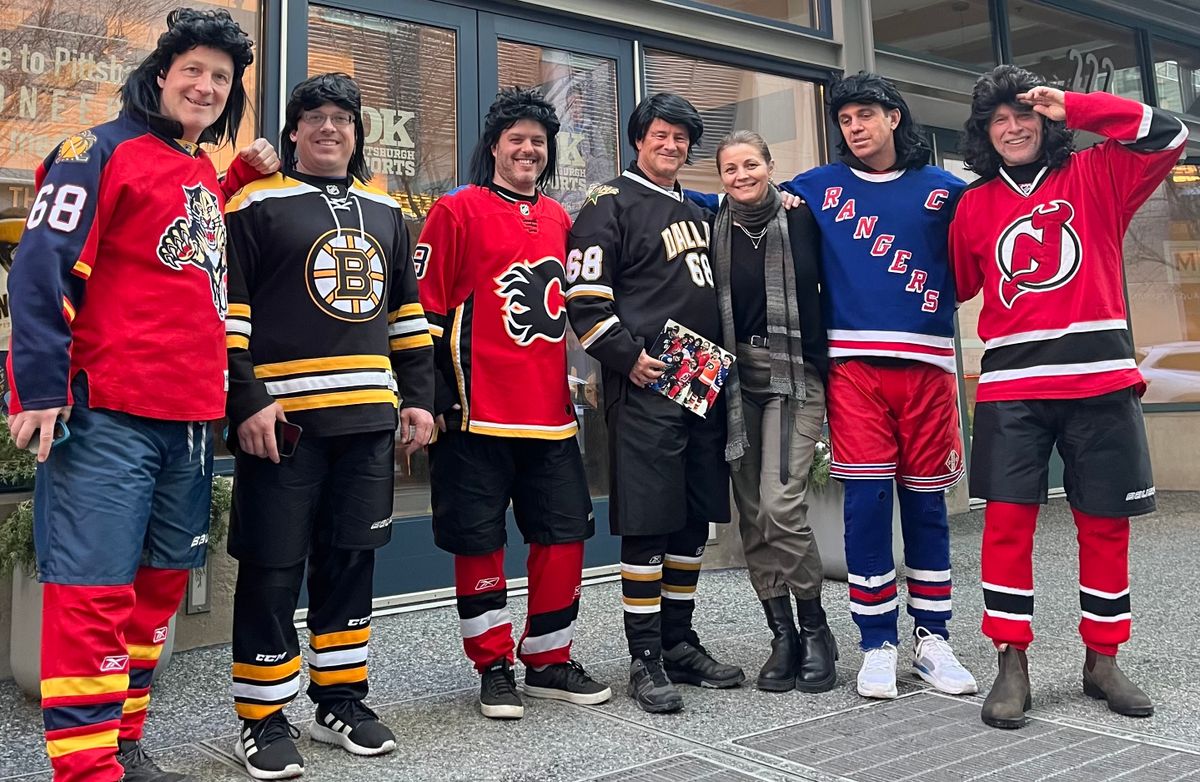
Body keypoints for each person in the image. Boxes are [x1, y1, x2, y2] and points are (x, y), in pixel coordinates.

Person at [3, 9, 276, 782]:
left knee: (156, 588)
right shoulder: (95, 150)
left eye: (222, 79)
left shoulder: (193, 167)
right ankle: (85, 769)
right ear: (160, 74)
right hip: (107, 414)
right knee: (92, 590)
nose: (207, 86)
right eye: (194, 70)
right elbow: (40, 269)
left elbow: (171, 238)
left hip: (188, 419)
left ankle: (122, 739)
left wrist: (239, 178)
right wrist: (39, 389)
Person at [950, 65, 1188, 730]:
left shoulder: (1099, 173)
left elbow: (1170, 133)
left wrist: (1078, 105)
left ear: (1047, 119)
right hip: (1011, 386)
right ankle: (1011, 658)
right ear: (985, 134)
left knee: (1105, 525)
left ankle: (1102, 658)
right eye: (999, 119)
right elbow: (961, 284)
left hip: (1101, 380)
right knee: (1005, 526)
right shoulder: (972, 205)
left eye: (1025, 113)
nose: (1014, 126)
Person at [221, 73, 434, 778]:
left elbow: (408, 314)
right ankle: (262, 716)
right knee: (274, 565)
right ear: (292, 133)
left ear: (357, 132)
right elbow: (230, 316)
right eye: (313, 118)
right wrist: (246, 400)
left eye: (342, 118)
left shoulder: (386, 210)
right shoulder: (254, 206)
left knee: (351, 561)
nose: (328, 128)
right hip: (283, 424)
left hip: (368, 422)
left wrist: (419, 398)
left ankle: (340, 699)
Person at [779, 73, 976, 701]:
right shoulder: (816, 187)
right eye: (844, 119)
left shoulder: (946, 191)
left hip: (929, 369)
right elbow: (738, 204)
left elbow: (980, 262)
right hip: (854, 370)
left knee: (925, 507)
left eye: (866, 115)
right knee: (864, 506)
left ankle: (934, 638)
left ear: (895, 117)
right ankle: (876, 642)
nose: (854, 127)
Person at [416, 87, 610, 721]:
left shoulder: (560, 218)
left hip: (551, 414)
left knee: (563, 536)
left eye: (538, 141)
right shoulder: (456, 211)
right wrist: (435, 399)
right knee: (479, 541)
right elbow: (426, 310)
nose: (528, 149)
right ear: (495, 146)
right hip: (476, 410)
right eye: (516, 139)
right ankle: (492, 664)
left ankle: (550, 659)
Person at [567, 93, 744, 715]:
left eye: (681, 139)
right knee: (648, 519)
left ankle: (679, 640)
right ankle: (644, 656)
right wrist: (622, 355)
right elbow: (582, 295)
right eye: (661, 135)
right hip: (646, 374)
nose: (672, 146)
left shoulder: (695, 207)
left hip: (700, 371)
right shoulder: (605, 203)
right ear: (639, 138)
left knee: (693, 515)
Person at [710, 130, 838, 693]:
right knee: (752, 511)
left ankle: (816, 629)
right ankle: (781, 633)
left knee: (780, 504)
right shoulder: (710, 224)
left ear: (769, 166)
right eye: (730, 168)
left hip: (793, 376)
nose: (742, 176)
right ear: (720, 178)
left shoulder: (803, 216)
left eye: (751, 164)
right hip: (734, 380)